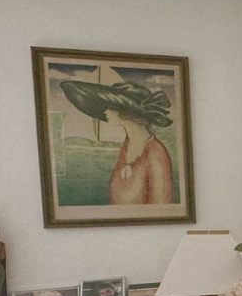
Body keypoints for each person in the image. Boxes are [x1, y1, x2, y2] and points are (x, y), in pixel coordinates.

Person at [58, 78, 176, 206]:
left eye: (110, 107)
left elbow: (161, 208)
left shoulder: (156, 154)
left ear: (125, 113)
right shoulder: (126, 146)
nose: (105, 111)